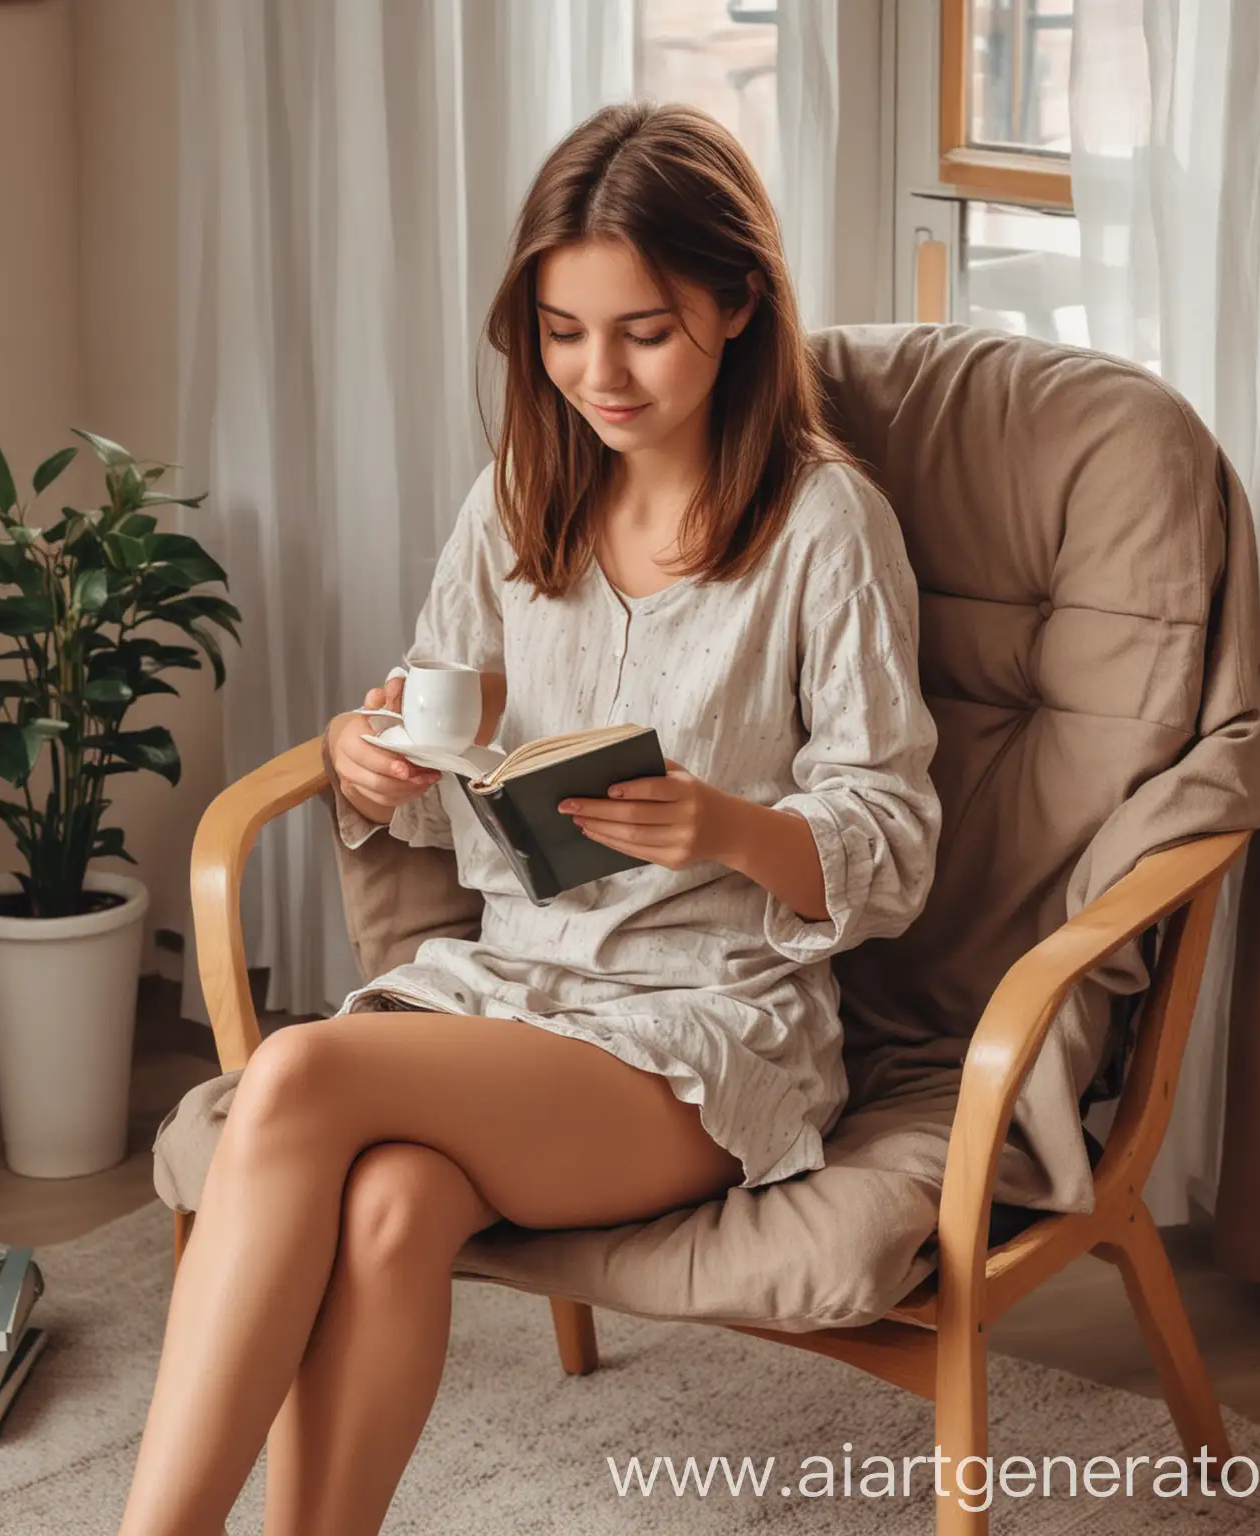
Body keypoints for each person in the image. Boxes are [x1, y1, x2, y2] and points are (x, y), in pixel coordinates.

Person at [119, 101, 941, 1536]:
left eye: (643, 329)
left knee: (305, 1078)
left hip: (705, 1034)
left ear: (739, 305)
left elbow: (894, 836)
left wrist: (724, 829)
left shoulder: (825, 526)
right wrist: (367, 763)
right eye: (562, 331)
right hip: (501, 993)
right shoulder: (517, 502)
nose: (595, 373)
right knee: (389, 1209)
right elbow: (441, 767)